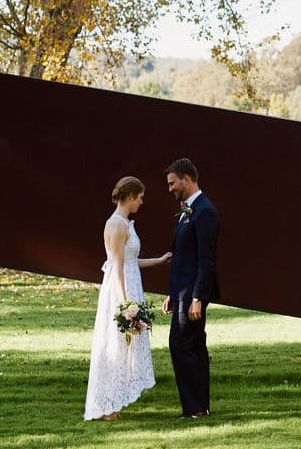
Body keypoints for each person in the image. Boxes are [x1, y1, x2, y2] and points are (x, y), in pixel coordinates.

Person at [85, 176, 171, 421]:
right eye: (140, 198)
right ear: (131, 196)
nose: (142, 203)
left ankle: (113, 401)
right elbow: (118, 266)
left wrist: (158, 260)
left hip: (132, 285)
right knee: (115, 344)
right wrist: (126, 304)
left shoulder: (126, 223)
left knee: (126, 346)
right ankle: (105, 405)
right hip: (121, 289)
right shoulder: (117, 225)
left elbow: (131, 261)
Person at [164, 158, 220, 418]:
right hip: (182, 293)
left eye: (173, 183)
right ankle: (200, 407)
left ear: (187, 179)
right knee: (194, 345)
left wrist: (197, 297)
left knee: (181, 344)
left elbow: (205, 259)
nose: (170, 188)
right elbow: (183, 256)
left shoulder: (205, 211)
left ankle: (194, 408)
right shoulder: (188, 210)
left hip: (193, 294)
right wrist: (172, 294)